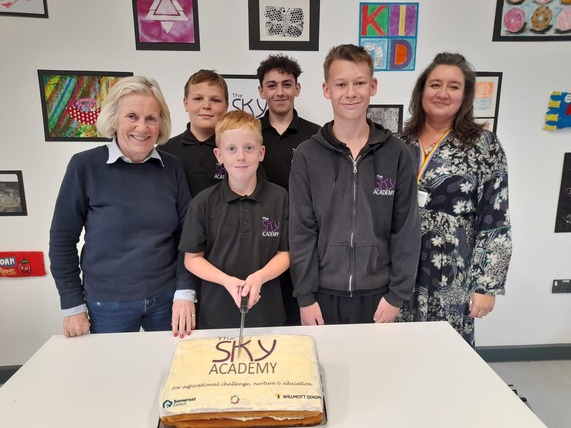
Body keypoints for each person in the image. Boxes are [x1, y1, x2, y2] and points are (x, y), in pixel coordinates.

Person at [49, 76, 195, 338]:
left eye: (151, 118)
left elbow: (188, 236)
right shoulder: (85, 166)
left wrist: (185, 292)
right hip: (107, 304)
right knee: (111, 375)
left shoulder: (172, 167)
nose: (142, 127)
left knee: (170, 371)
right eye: (132, 116)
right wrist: (72, 306)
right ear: (114, 118)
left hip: (167, 299)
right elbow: (62, 239)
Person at [288, 44, 421, 326]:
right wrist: (305, 297)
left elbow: (406, 229)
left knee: (374, 369)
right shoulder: (307, 155)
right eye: (341, 84)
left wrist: (397, 295)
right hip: (322, 295)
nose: (350, 92)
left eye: (359, 83)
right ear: (327, 90)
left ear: (372, 86)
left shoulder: (396, 153)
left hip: (379, 295)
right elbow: (301, 232)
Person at [397, 52, 512, 346]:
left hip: (453, 274)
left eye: (453, 86)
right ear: (422, 90)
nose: (442, 93)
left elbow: (495, 218)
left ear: (465, 95)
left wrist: (486, 285)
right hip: (400, 271)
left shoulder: (484, 145)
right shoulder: (398, 143)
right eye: (435, 84)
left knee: (447, 353)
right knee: (400, 349)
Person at [180, 110, 289, 329]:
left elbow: (285, 253)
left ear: (261, 152)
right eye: (231, 149)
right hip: (216, 317)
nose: (241, 156)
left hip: (269, 316)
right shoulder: (203, 203)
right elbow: (191, 259)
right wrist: (226, 281)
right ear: (219, 156)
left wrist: (260, 277)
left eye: (249, 148)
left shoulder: (280, 198)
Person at [256, 53, 321, 325]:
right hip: (259, 240)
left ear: (297, 88)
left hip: (305, 241)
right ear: (261, 91)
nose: (279, 91)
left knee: (300, 323)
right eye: (271, 85)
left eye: (286, 84)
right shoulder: (249, 132)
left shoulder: (317, 136)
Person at [159, 69, 229, 197]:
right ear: (186, 103)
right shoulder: (164, 151)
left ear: (226, 106)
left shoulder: (235, 151)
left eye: (215, 100)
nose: (206, 105)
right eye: (198, 98)